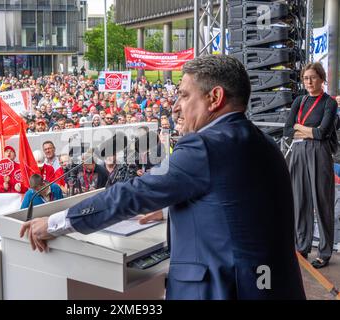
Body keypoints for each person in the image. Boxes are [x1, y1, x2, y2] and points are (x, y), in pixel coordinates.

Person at [20, 55, 306, 300]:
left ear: (215, 98)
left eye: (184, 94)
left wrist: (55, 223)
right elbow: (238, 204)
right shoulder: (266, 143)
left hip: (225, 289)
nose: (175, 106)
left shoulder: (204, 146)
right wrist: (170, 209)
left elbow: (132, 195)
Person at [283, 62, 337, 269]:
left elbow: (322, 132)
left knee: (322, 202)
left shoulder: (329, 103)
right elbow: (288, 130)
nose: (309, 82)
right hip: (298, 151)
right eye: (306, 78)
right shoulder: (299, 100)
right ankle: (302, 246)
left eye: (313, 77)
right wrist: (306, 130)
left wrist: (299, 127)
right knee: (300, 200)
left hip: (320, 153)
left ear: (322, 79)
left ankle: (324, 251)